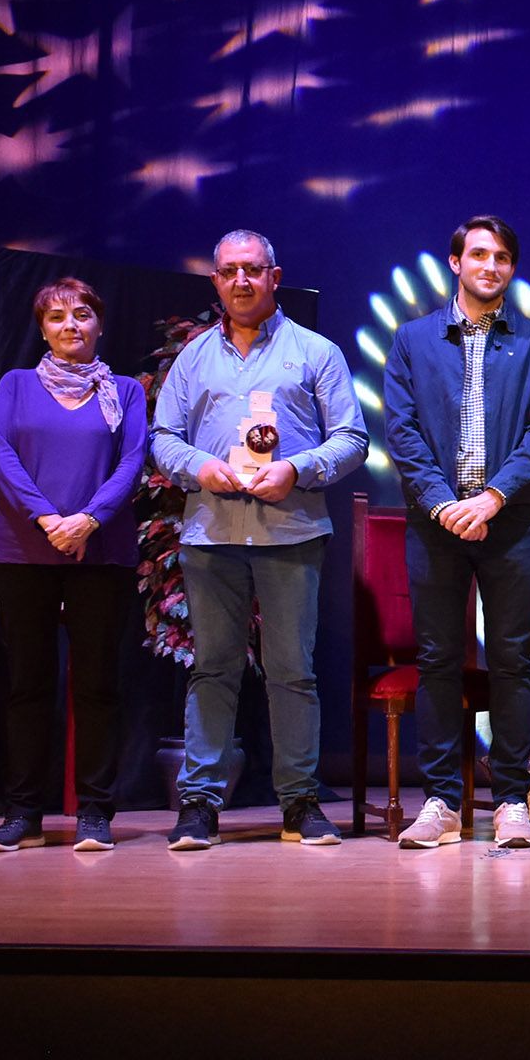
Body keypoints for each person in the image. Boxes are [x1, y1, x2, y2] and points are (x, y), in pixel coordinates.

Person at [149, 230, 368, 850]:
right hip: (212, 532)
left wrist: (295, 470)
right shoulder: (193, 358)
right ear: (215, 282)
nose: (240, 281)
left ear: (275, 275)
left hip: (290, 531)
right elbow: (162, 435)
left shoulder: (316, 352)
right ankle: (199, 804)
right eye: (227, 272)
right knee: (213, 668)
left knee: (292, 671)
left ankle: (299, 801)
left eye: (252, 270)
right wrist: (201, 469)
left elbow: (352, 438)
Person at [380, 216, 530, 849]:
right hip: (436, 526)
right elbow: (400, 430)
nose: (491, 265)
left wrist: (489, 499)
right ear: (455, 262)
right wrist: (441, 503)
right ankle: (440, 802)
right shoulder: (412, 340)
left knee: (512, 662)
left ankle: (511, 800)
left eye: (504, 257)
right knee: (436, 662)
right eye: (479, 254)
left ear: (512, 270)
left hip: (510, 522)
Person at [0, 277, 149, 853]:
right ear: (42, 328)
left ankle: (95, 811)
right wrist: (48, 518)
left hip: (100, 551)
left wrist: (88, 520)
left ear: (99, 323)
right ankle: (22, 810)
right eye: (55, 317)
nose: (69, 325)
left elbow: (132, 462)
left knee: (97, 684)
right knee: (27, 684)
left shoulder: (124, 391)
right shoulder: (16, 384)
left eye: (81, 314)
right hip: (24, 548)